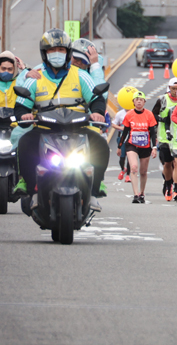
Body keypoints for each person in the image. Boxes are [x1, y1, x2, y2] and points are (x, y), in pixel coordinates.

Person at [12, 30, 108, 210]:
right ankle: (29, 186)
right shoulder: (35, 76)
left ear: (68, 52)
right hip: (44, 129)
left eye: (61, 50)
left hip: (77, 129)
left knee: (100, 144)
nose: (57, 54)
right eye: (52, 50)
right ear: (44, 53)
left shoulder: (80, 75)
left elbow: (96, 99)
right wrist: (24, 114)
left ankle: (95, 189)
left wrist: (97, 112)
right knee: (25, 143)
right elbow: (21, 105)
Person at [120, 91, 158, 203]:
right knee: (134, 167)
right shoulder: (129, 115)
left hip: (145, 146)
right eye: (137, 100)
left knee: (143, 171)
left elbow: (153, 132)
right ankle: (135, 194)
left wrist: (154, 147)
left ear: (144, 102)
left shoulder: (149, 114)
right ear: (133, 102)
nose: (139, 102)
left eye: (141, 100)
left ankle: (141, 193)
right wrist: (119, 146)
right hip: (132, 144)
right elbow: (125, 132)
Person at [153, 79, 177, 201]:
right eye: (173, 88)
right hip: (164, 137)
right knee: (168, 163)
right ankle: (168, 183)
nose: (175, 91)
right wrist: (161, 119)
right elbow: (153, 115)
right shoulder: (162, 100)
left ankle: (176, 187)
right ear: (169, 88)